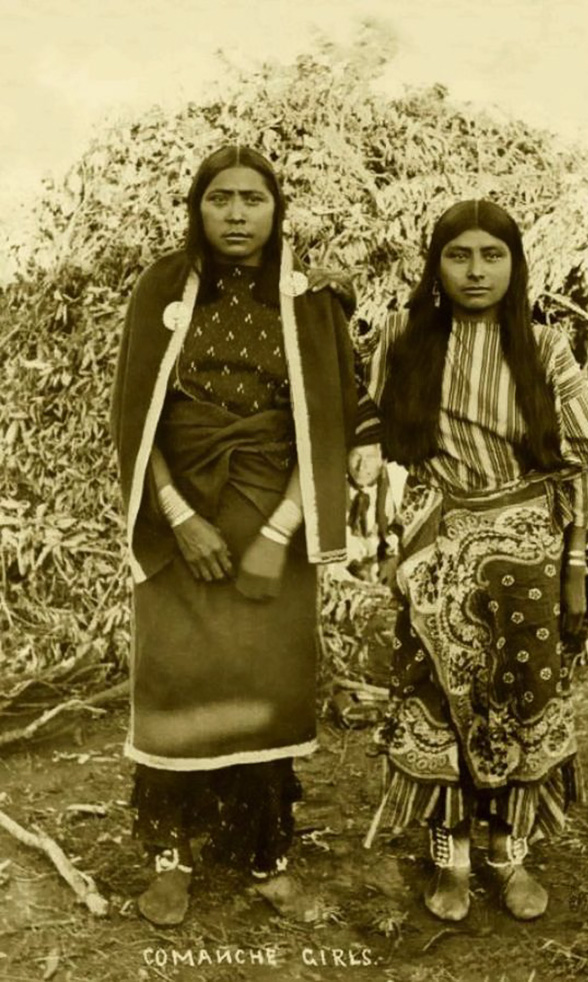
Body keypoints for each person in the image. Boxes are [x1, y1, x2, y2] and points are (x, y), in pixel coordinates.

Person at [110, 145, 381, 925]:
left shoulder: (312, 301)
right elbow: (136, 421)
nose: (235, 214)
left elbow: (325, 423)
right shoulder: (161, 289)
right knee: (178, 684)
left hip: (275, 517)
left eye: (252, 199)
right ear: (197, 208)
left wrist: (281, 530)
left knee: (267, 687)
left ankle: (267, 854)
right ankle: (171, 858)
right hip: (180, 519)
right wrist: (181, 518)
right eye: (219, 198)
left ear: (277, 207)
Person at [364, 200, 588, 922]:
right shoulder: (402, 338)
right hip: (437, 542)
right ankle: (451, 853)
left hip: (529, 552)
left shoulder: (543, 349)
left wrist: (573, 565)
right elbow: (348, 405)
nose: (476, 271)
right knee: (438, 696)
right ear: (436, 266)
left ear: (515, 264)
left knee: (518, 695)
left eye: (492, 256)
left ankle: (508, 849)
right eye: (459, 255)